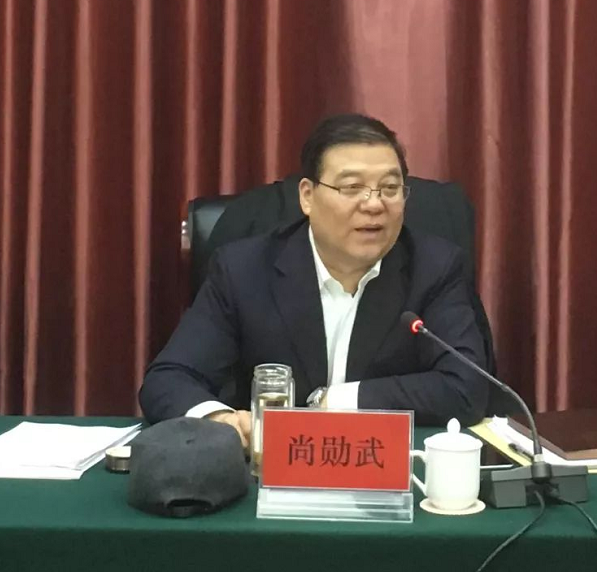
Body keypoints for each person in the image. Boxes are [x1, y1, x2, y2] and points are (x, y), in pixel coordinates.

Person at [139, 114, 488, 447]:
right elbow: (169, 379)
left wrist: (335, 401)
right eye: (352, 187)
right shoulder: (244, 270)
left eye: (390, 188)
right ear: (307, 196)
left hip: (385, 471)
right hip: (267, 473)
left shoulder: (434, 268)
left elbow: (467, 386)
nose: (374, 205)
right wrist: (218, 420)